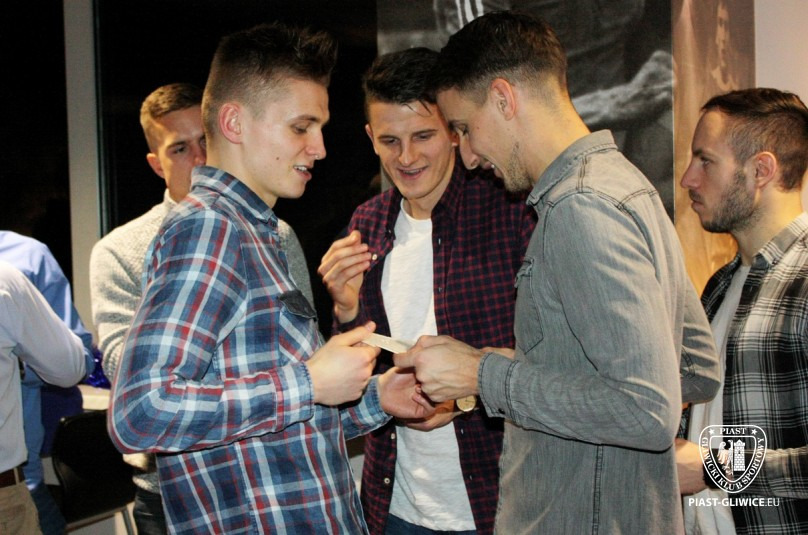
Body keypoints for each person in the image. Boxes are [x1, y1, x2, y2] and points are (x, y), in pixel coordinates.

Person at [394, 11, 721, 533]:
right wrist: (531, 366)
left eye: (465, 129)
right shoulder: (626, 183)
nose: (470, 157)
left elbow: (646, 411)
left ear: (504, 98)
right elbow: (696, 366)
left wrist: (483, 374)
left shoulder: (579, 206)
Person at [107, 22, 429, 534]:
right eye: (301, 127)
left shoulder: (257, 233)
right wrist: (308, 382)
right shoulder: (209, 229)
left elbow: (273, 433)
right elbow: (140, 413)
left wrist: (375, 398)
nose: (319, 148)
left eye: (318, 128)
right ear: (234, 122)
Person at [317, 47, 534, 534]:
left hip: (501, 501)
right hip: (395, 502)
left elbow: (553, 361)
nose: (407, 157)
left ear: (454, 131)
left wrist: (465, 396)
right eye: (390, 140)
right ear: (370, 138)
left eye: (423, 136)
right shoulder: (367, 222)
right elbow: (354, 375)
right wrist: (346, 309)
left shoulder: (510, 212)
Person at [90, 82, 314, 534]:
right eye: (179, 148)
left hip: (274, 477)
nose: (198, 158)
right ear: (156, 163)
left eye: (205, 141)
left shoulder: (274, 233)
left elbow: (305, 356)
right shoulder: (118, 250)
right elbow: (126, 371)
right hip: (171, 490)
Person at [677, 88, 808, 534]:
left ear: (761, 170)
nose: (688, 179)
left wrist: (714, 467)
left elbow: (707, 464)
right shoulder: (719, 285)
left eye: (705, 160)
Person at [0, 231, 95, 535]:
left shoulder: (30, 256)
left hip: (25, 471)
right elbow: (69, 366)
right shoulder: (6, 278)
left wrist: (17, 366)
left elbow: (78, 361)